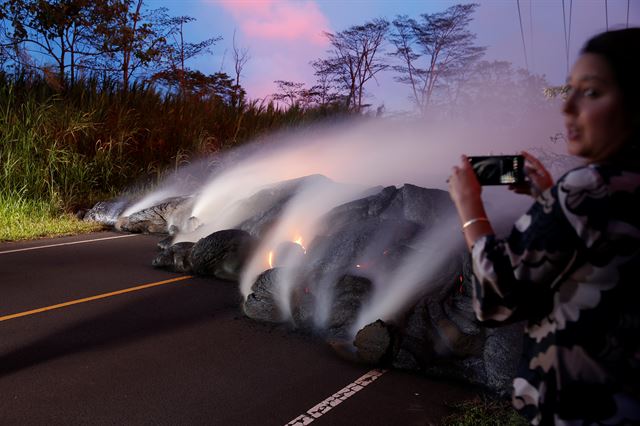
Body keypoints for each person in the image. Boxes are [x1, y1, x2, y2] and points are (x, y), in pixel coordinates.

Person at [448, 28, 640, 425]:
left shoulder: (586, 189)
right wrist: (547, 200)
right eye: (569, 89)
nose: (567, 107)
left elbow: (494, 301)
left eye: (591, 91)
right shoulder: (610, 190)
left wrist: (470, 209)